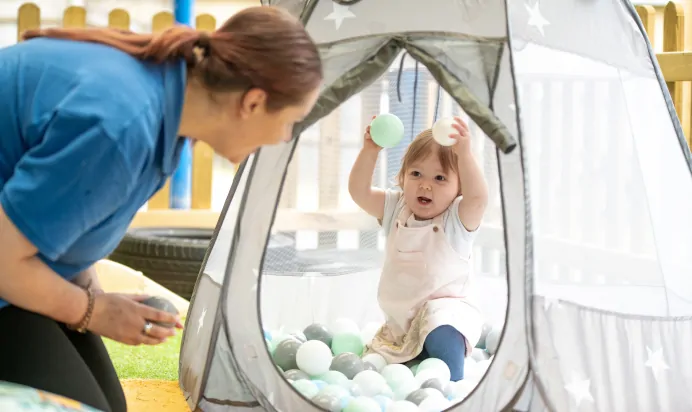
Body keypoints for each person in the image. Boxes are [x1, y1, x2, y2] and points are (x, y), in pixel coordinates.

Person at [0, 5, 322, 412]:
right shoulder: (122, 126)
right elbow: (4, 259)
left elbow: (61, 218)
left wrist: (92, 295)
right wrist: (92, 311)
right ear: (254, 102)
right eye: (292, 120)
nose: (285, 137)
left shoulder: (162, 105)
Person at [348, 116, 488, 381]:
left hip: (447, 313)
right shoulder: (396, 208)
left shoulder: (455, 221)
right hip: (402, 321)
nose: (425, 184)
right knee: (379, 365)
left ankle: (451, 383)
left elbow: (479, 198)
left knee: (441, 329)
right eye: (416, 174)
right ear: (402, 176)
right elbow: (359, 192)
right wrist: (370, 152)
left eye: (440, 178)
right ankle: (417, 363)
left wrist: (465, 155)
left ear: (459, 188)